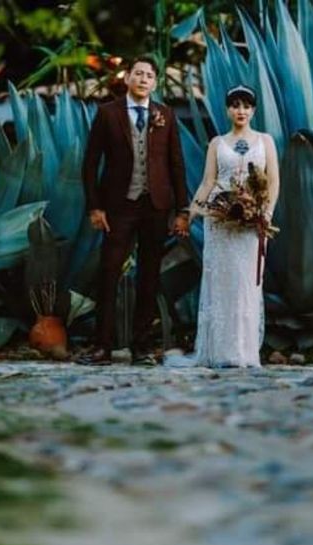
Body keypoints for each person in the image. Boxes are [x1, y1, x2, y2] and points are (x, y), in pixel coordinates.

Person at [80, 54, 189, 365]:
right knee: (109, 273)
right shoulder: (107, 114)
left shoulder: (166, 115)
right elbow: (90, 164)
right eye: (138, 74)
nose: (143, 79)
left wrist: (182, 209)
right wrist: (95, 206)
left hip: (156, 207)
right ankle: (102, 346)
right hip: (118, 207)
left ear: (155, 82)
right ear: (127, 78)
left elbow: (176, 165)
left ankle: (140, 346)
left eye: (149, 76)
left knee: (149, 276)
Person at [185, 85, 279, 368]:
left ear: (253, 110)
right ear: (227, 110)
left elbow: (273, 181)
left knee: (246, 284)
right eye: (235, 105)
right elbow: (208, 182)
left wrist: (265, 213)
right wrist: (189, 214)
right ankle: (219, 351)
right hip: (220, 221)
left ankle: (244, 352)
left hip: (251, 223)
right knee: (222, 283)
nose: (241, 111)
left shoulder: (265, 141)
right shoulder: (217, 143)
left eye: (246, 106)